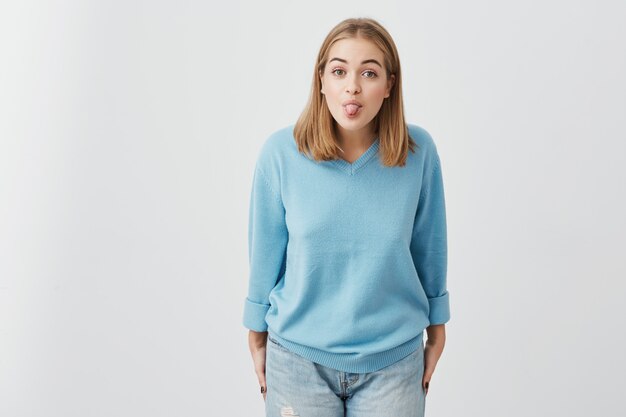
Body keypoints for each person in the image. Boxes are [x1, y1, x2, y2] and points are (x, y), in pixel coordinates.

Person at [243, 17, 450, 417]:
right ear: (321, 80)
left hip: (393, 362)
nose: (352, 86)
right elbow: (264, 255)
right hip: (297, 361)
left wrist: (438, 325)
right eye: (339, 71)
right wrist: (255, 332)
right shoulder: (280, 155)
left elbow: (430, 246)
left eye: (368, 73)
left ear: (389, 85)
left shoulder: (418, 153)